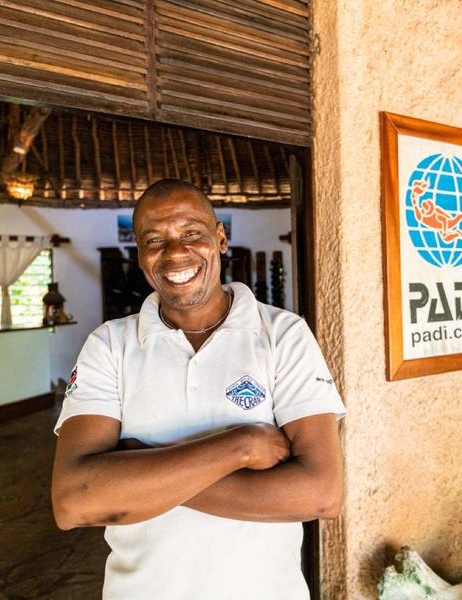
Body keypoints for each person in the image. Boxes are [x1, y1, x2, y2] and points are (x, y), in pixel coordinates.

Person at [51, 179, 346, 599]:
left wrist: (141, 470)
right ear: (140, 256)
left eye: (192, 233)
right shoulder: (109, 345)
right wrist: (240, 447)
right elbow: (74, 503)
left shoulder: (284, 334)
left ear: (220, 239)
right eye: (155, 239)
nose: (175, 252)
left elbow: (320, 494)